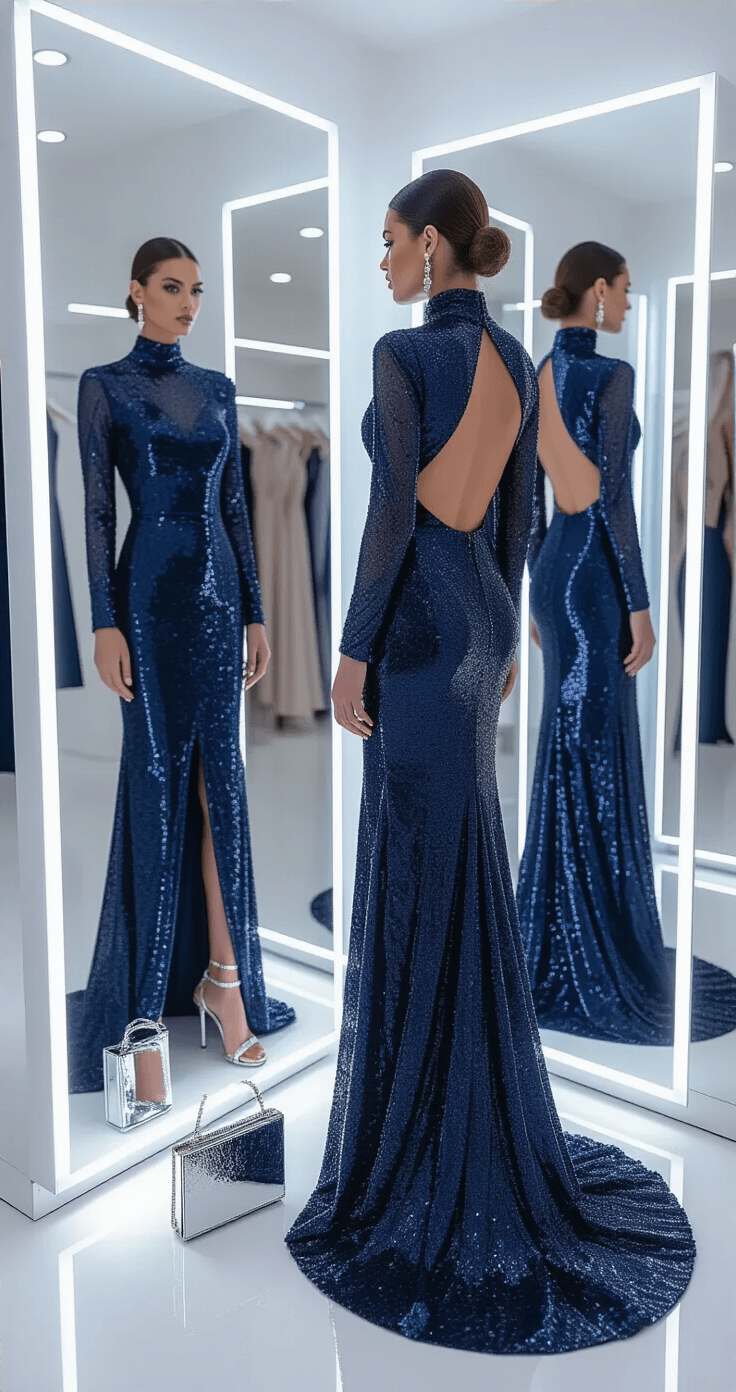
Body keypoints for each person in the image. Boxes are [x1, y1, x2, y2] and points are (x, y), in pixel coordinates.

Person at [286, 179, 694, 1354]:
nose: (381, 263)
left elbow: (388, 514)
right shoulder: (520, 361)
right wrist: (507, 632)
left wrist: (351, 648)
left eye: (387, 244)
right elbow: (519, 516)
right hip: (479, 619)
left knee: (421, 860)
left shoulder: (405, 355)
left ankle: (415, 1140)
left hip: (416, 620)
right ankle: (457, 1104)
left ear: (429, 245)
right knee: (460, 846)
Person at [68, 237, 294, 1094]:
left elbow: (235, 506)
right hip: (148, 600)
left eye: (197, 290)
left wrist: (256, 611)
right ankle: (140, 1008)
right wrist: (103, 622)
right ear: (137, 293)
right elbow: (96, 512)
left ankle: (225, 984)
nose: (189, 303)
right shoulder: (106, 386)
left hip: (218, 595)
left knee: (219, 791)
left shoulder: (219, 389)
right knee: (158, 787)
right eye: (173, 288)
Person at [517, 241, 736, 1045]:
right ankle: (589, 939)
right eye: (628, 290)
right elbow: (612, 505)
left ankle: (557, 925)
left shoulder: (539, 372)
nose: (632, 303)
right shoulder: (612, 375)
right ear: (600, 291)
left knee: (568, 741)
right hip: (597, 577)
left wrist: (534, 588)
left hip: (555, 572)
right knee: (595, 744)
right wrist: (640, 607)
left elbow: (527, 500)